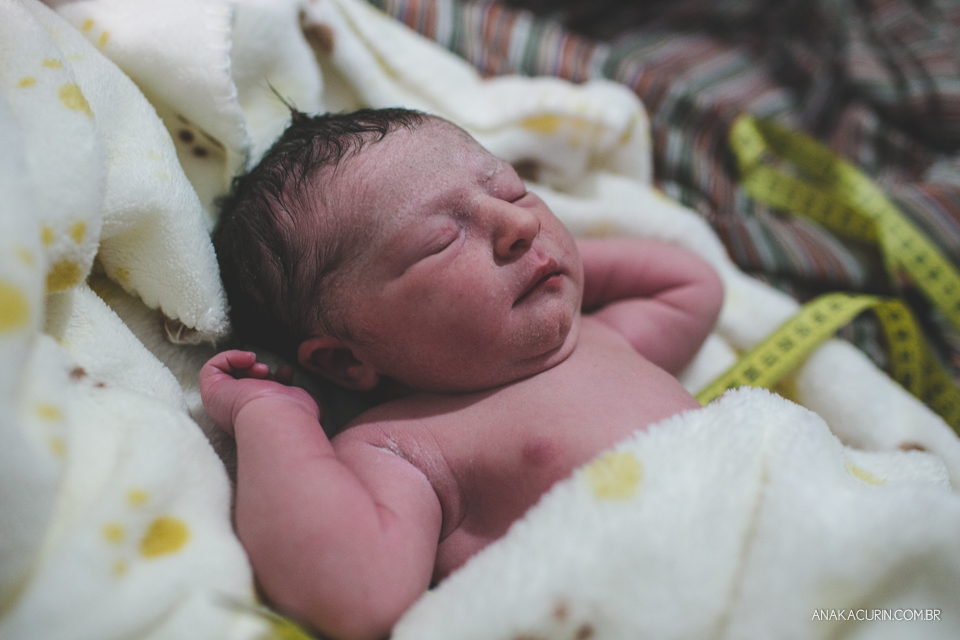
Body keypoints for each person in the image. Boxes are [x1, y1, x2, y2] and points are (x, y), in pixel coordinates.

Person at [200, 108, 724, 640]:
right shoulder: (401, 444)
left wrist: (552, 259)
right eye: (442, 241)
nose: (520, 225)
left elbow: (690, 284)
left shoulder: (599, 336)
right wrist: (275, 417)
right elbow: (353, 598)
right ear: (347, 360)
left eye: (514, 192)